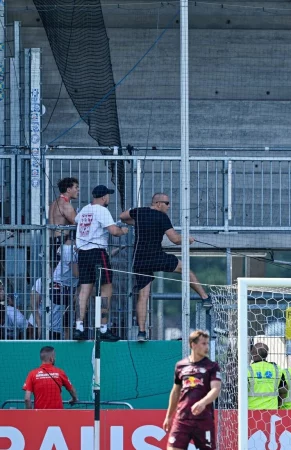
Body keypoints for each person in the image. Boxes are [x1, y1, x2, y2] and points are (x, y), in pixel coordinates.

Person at [120, 193, 211, 342]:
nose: (169, 206)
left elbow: (122, 216)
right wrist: (187, 239)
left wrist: (136, 222)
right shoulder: (162, 217)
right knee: (185, 269)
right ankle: (205, 297)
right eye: (167, 203)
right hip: (156, 256)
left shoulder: (139, 212)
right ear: (158, 203)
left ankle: (141, 333)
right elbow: (175, 239)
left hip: (139, 260)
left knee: (143, 295)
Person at [73, 185, 127, 342]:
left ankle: (79, 327)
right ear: (104, 197)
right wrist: (123, 230)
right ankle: (103, 327)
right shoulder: (102, 210)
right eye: (108, 196)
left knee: (84, 290)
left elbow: (76, 220)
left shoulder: (84, 210)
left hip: (82, 253)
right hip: (97, 252)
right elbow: (114, 231)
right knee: (106, 288)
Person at [163, 330, 222, 450]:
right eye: (203, 344)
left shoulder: (212, 366)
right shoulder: (180, 366)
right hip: (182, 418)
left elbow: (216, 389)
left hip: (204, 419)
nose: (206, 347)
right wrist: (169, 416)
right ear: (193, 345)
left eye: (207, 344)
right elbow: (175, 392)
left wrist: (202, 402)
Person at [31, 241, 78, 340]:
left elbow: (70, 309)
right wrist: (39, 323)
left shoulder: (69, 284)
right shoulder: (41, 281)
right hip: (39, 325)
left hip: (57, 328)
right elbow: (33, 304)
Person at [48, 177, 79, 266]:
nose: (78, 190)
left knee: (55, 273)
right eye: (76, 187)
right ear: (69, 190)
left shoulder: (54, 203)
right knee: (66, 273)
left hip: (53, 241)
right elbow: (77, 223)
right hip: (63, 241)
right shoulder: (65, 205)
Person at [247, 343, 281, 410]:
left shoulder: (248, 370)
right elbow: (283, 389)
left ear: (254, 354)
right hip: (272, 410)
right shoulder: (276, 369)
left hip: (252, 410)